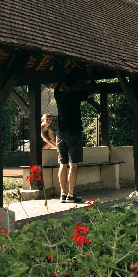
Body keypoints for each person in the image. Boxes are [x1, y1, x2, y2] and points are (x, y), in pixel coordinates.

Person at [53, 74, 94, 203]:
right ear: (74, 86)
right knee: (73, 165)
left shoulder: (58, 96)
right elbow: (93, 92)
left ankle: (63, 194)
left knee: (62, 164)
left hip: (60, 134)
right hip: (74, 133)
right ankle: (71, 195)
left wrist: (63, 79)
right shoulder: (76, 96)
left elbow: (56, 87)